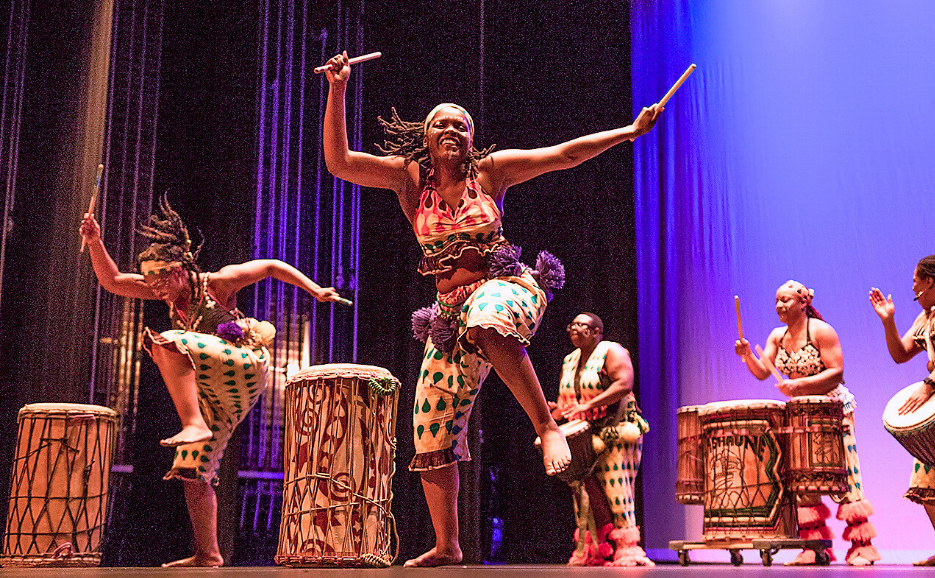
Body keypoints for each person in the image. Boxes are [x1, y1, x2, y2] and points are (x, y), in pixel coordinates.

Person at [320, 51, 662, 566]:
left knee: (487, 321)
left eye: (461, 124)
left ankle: (546, 426)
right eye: (441, 124)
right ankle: (448, 544)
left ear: (472, 138)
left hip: (505, 289)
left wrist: (628, 133)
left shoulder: (492, 172)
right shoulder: (409, 180)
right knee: (429, 427)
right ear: (428, 138)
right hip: (447, 314)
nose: (452, 129)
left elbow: (562, 155)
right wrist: (338, 89)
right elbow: (339, 162)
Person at [79, 198, 341, 567]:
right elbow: (113, 281)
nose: (155, 289)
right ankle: (209, 553)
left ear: (181, 271)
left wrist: (315, 291)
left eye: (160, 280)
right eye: (150, 281)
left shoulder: (216, 282)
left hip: (246, 366)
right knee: (192, 469)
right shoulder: (161, 290)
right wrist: (95, 242)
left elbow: (269, 266)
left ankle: (192, 423)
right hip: (217, 393)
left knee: (167, 339)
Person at [735, 280, 879, 566]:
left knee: (844, 473)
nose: (779, 305)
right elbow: (764, 372)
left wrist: (799, 386)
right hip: (800, 413)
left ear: (803, 303)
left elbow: (836, 373)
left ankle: (862, 546)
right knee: (803, 479)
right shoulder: (777, 336)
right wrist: (748, 356)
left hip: (833, 410)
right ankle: (814, 546)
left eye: (786, 300)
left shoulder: (821, 331)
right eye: (777, 300)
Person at [548, 312, 653, 567]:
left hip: (617, 430)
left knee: (618, 492)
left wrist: (590, 404)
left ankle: (628, 550)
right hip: (587, 435)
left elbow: (624, 384)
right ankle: (593, 550)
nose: (574, 329)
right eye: (571, 325)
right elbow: (569, 401)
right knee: (584, 495)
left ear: (596, 331)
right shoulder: (569, 360)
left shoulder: (612, 352)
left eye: (581, 326)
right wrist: (557, 411)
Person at [870, 255, 935, 566]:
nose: (912, 286)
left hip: (933, 390)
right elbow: (901, 354)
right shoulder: (925, 318)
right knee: (926, 480)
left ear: (929, 282)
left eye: (915, 281)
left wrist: (930, 384)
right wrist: (888, 321)